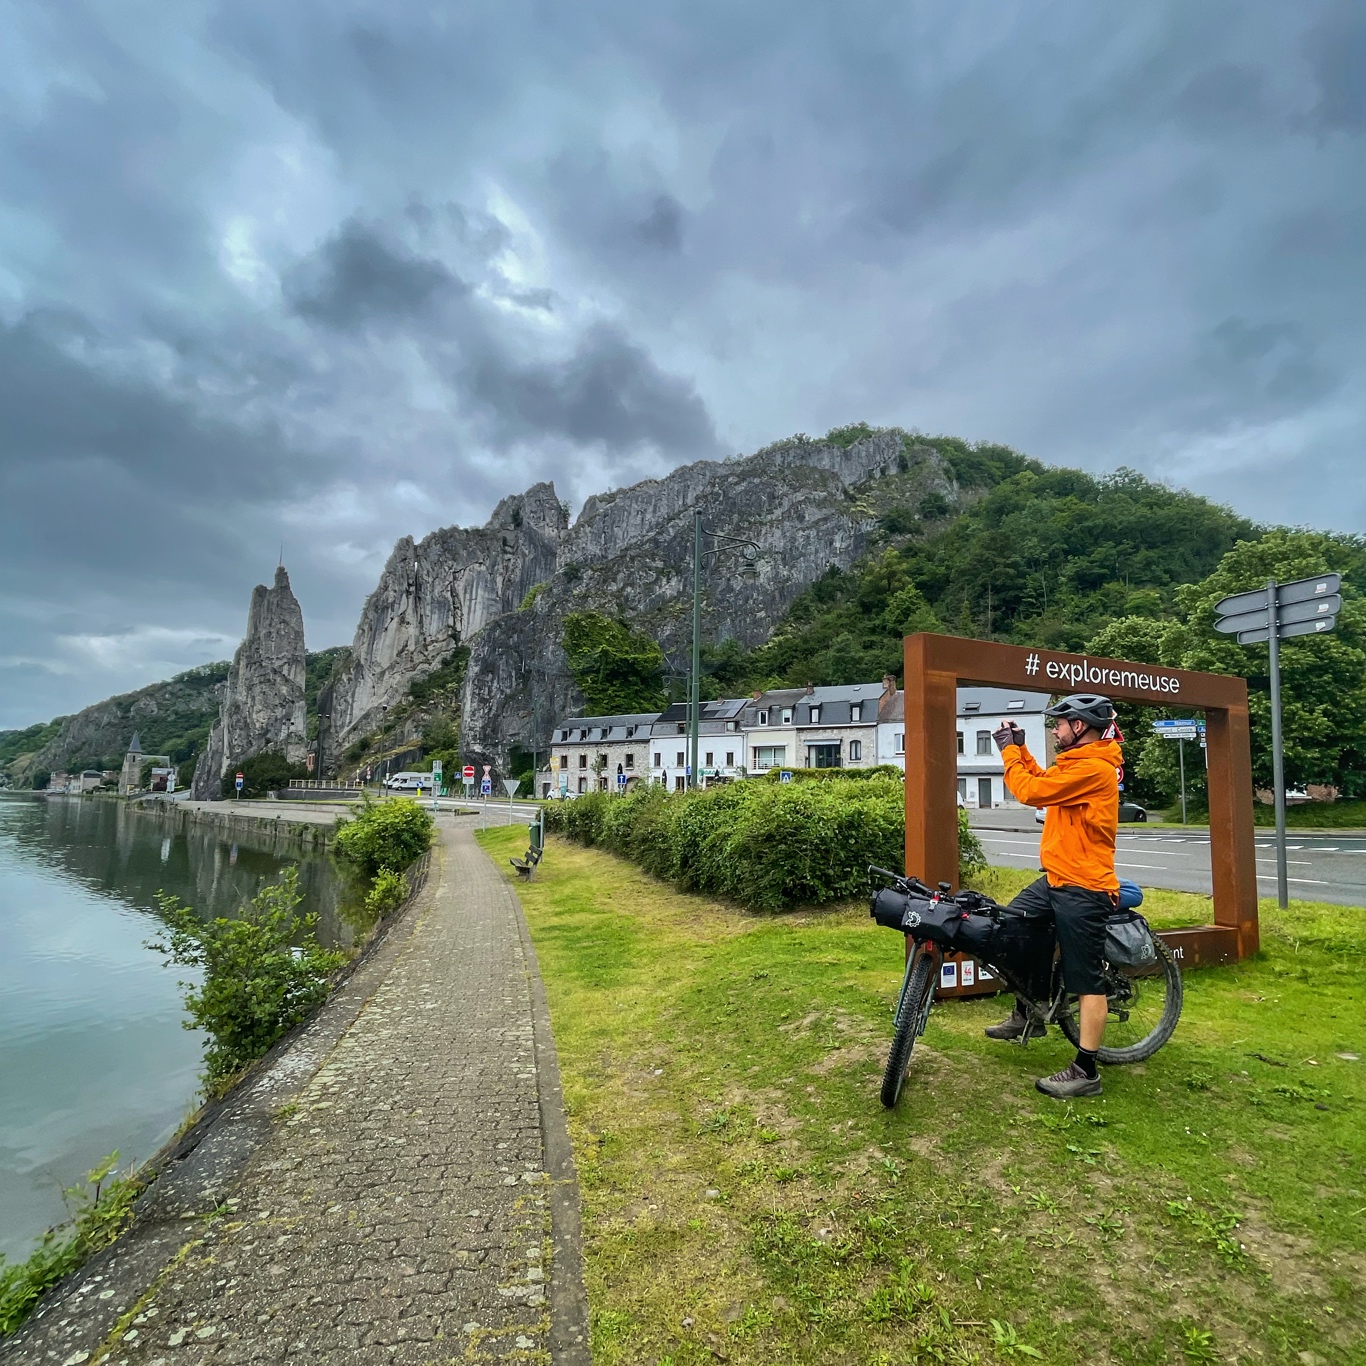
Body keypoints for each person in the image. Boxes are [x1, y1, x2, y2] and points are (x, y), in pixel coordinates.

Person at [987, 694, 1123, 1099]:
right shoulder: (1077, 765)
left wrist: (1010, 752)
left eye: (1060, 724)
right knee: (1012, 927)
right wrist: (1022, 748)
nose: (1055, 730)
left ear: (1079, 727)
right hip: (1058, 878)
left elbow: (1029, 792)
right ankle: (1028, 1012)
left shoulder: (1095, 770)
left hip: (1085, 886)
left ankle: (1086, 1071)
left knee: (1087, 980)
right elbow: (1045, 781)